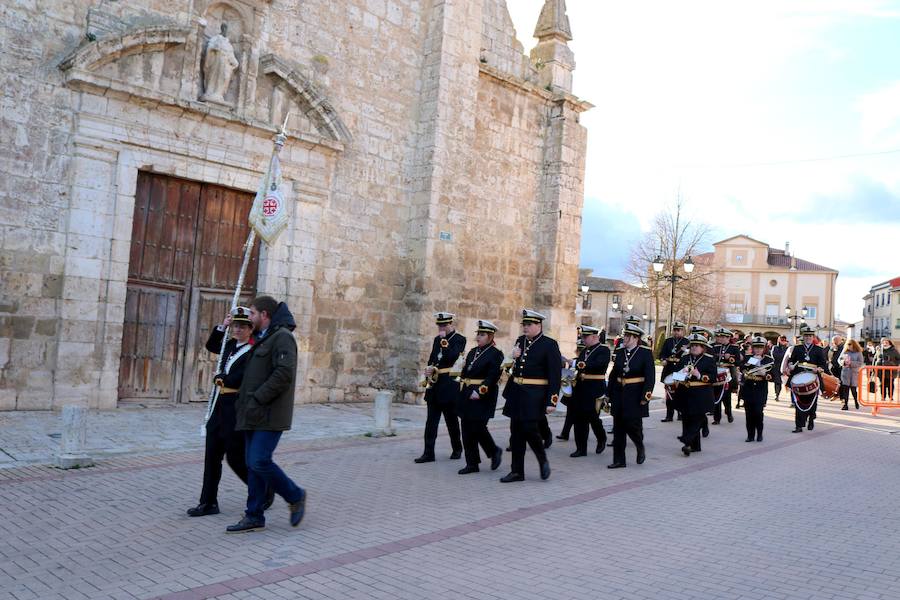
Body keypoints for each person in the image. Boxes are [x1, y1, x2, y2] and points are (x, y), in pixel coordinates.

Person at [227, 296, 306, 534]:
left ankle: (295, 495)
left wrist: (258, 397)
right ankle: (254, 515)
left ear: (265, 315)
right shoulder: (262, 338)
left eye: (252, 313)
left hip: (269, 413)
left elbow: (284, 374)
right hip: (253, 412)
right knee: (253, 465)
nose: (249, 318)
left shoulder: (282, 338)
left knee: (259, 461)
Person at [187, 307, 256, 517]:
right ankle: (208, 502)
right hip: (219, 406)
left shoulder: (254, 350)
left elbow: (242, 377)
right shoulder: (230, 345)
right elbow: (212, 346)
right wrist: (222, 327)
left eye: (242, 327)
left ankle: (263, 489)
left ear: (251, 329)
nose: (237, 330)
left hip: (235, 407)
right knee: (211, 455)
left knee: (236, 458)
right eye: (235, 326)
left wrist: (222, 379)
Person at [500, 310, 561, 482]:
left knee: (530, 429)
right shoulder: (520, 341)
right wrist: (512, 357)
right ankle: (517, 471)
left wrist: (552, 400)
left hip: (535, 394)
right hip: (517, 392)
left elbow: (554, 376)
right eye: (524, 325)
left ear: (538, 325)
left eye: (529, 325)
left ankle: (542, 460)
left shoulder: (549, 344)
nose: (525, 328)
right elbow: (514, 368)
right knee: (516, 432)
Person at [415, 312, 465, 463]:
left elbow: (452, 356)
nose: (441, 328)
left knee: (451, 421)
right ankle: (428, 453)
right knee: (431, 421)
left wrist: (444, 340)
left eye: (444, 325)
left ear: (451, 324)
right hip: (435, 385)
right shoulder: (437, 340)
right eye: (439, 325)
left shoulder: (459, 339)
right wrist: (429, 368)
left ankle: (457, 448)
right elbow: (433, 358)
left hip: (449, 385)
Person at [456, 320, 504, 474]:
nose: (478, 338)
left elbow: (493, 376)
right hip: (468, 393)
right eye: (478, 334)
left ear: (490, 337)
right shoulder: (472, 352)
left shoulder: (496, 354)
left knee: (477, 427)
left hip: (484, 395)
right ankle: (472, 463)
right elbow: (466, 372)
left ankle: (494, 451)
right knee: (466, 428)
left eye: (482, 335)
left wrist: (480, 391)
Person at [607, 323, 655, 468]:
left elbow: (650, 377)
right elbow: (614, 374)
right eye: (624, 336)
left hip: (635, 395)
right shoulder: (621, 352)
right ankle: (619, 460)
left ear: (635, 338)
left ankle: (640, 447)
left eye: (627, 336)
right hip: (619, 393)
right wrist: (609, 393)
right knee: (618, 427)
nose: (624, 339)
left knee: (631, 426)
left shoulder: (645, 353)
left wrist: (645, 397)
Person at [672, 333, 717, 456]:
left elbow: (713, 378)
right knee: (686, 419)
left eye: (697, 345)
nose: (694, 348)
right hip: (685, 393)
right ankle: (694, 446)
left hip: (701, 395)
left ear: (703, 347)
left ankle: (686, 440)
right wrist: (682, 372)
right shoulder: (684, 358)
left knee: (696, 420)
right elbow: (675, 375)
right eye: (692, 345)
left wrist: (699, 375)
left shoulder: (708, 359)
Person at [568, 325, 609, 457]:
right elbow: (580, 364)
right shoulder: (585, 351)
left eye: (585, 337)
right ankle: (581, 448)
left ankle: (601, 438)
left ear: (595, 337)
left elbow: (597, 365)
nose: (583, 340)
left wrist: (576, 364)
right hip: (580, 388)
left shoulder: (603, 350)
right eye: (582, 337)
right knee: (579, 419)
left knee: (593, 417)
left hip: (595, 388)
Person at [784, 325, 827, 433]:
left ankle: (811, 418)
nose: (808, 337)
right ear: (803, 336)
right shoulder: (797, 348)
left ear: (813, 337)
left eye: (810, 336)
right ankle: (799, 426)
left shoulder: (818, 349)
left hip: (813, 378)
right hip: (798, 377)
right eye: (806, 335)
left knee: (813, 402)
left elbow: (823, 364)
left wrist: (818, 369)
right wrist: (790, 365)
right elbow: (791, 361)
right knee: (798, 403)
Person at [740, 336, 773, 442]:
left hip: (760, 389)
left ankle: (759, 433)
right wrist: (753, 362)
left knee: (758, 412)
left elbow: (773, 375)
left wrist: (765, 373)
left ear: (764, 348)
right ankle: (750, 435)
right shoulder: (748, 358)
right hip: (748, 388)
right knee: (748, 413)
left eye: (760, 347)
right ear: (753, 348)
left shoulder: (768, 359)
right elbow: (743, 369)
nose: (758, 350)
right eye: (756, 347)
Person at [712, 327, 742, 425]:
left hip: (728, 374)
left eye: (723, 337)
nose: (720, 338)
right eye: (720, 336)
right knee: (716, 396)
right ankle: (717, 418)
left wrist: (730, 359)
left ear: (728, 337)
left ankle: (729, 413)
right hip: (717, 373)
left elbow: (738, 362)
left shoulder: (734, 348)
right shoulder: (716, 347)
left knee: (726, 397)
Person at [659, 321, 688, 422]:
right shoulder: (668, 341)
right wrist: (663, 359)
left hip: (679, 370)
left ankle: (680, 413)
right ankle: (669, 415)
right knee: (669, 394)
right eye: (674, 330)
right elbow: (662, 353)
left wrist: (685, 351)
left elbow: (689, 358)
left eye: (678, 330)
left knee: (679, 392)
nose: (676, 332)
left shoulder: (687, 342)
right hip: (669, 369)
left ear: (682, 331)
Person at [556, 338, 584, 441]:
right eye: (578, 350)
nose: (579, 352)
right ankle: (565, 433)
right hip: (572, 392)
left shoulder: (583, 362)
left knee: (584, 417)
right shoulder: (573, 360)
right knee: (570, 413)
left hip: (583, 392)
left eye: (581, 350)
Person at [838, 339, 864, 410]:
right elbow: (839, 359)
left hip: (854, 373)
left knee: (853, 390)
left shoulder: (858, 352)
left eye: (850, 344)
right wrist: (843, 362)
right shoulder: (845, 351)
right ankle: (845, 405)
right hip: (845, 372)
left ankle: (856, 401)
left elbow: (860, 362)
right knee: (845, 389)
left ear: (853, 345)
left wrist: (851, 363)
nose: (848, 346)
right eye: (847, 344)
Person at [771, 336, 789, 401]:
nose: (783, 341)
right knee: (777, 382)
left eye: (784, 340)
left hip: (784, 367)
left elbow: (788, 357)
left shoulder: (787, 348)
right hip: (777, 367)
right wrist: (784, 357)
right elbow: (775, 356)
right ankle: (777, 394)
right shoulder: (775, 347)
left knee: (784, 382)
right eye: (782, 340)